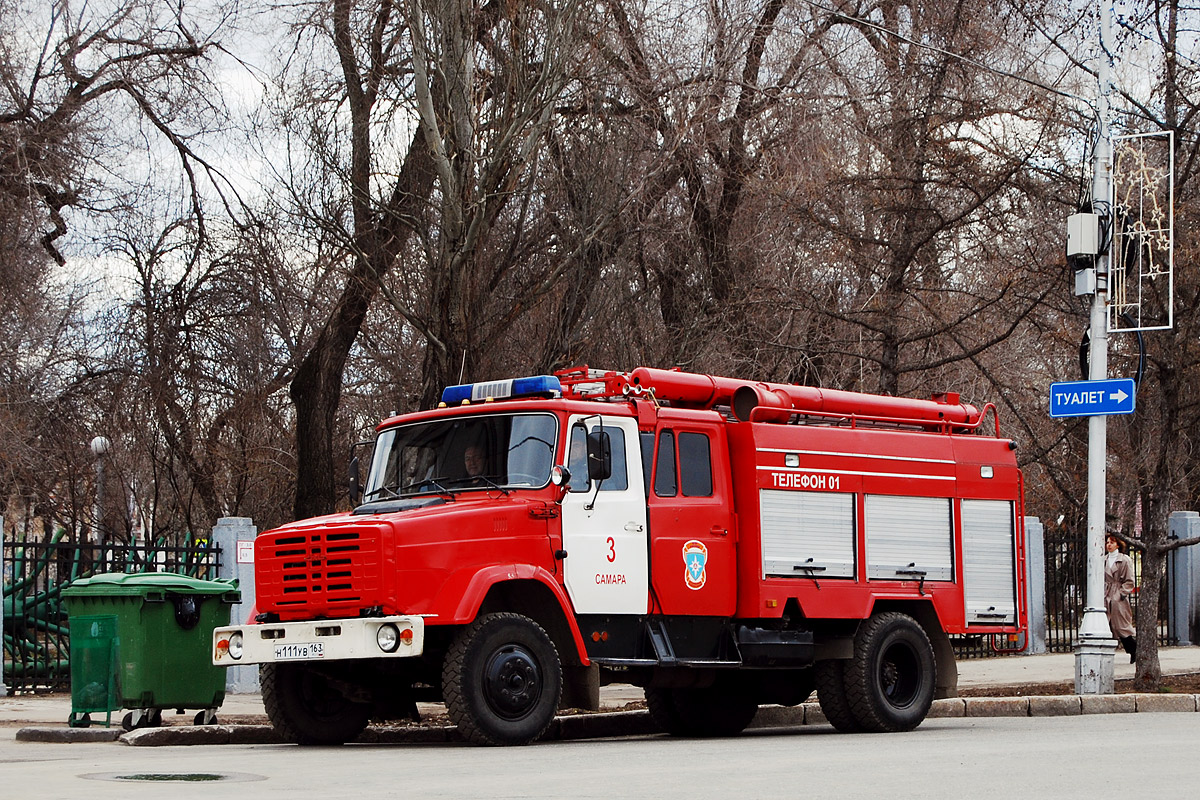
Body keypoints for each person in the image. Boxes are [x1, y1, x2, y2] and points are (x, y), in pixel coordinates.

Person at [1104, 534, 1137, 663]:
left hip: (1117, 595)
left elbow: (1129, 580)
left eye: (1112, 542)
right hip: (1106, 594)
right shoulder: (1104, 560)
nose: (1109, 545)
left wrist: (1122, 594)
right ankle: (1106, 656)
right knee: (1105, 625)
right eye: (1107, 542)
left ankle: (1134, 650)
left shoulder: (1124, 560)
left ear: (1118, 544)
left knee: (1121, 626)